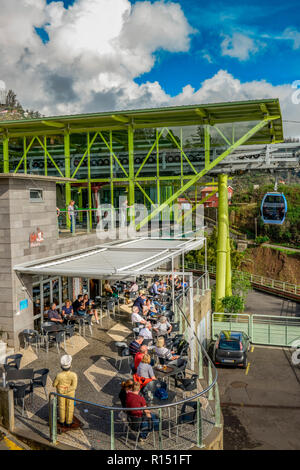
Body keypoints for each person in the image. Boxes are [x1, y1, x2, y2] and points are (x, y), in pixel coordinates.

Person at [53, 355, 78, 427]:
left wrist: (62, 389)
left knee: (61, 406)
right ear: (70, 366)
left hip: (61, 393)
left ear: (61, 366)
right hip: (70, 393)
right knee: (70, 406)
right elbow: (74, 386)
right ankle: (69, 422)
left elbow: (54, 384)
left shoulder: (59, 375)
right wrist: (67, 389)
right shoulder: (74, 375)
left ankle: (61, 421)